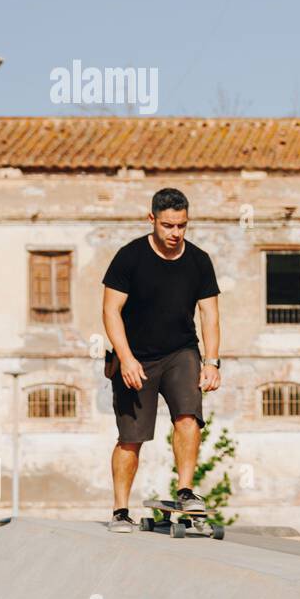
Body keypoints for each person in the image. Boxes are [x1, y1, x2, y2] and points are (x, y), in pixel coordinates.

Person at [101, 188, 222, 532]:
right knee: (131, 437)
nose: (175, 234)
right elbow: (111, 311)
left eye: (182, 226)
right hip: (135, 357)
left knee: (189, 415)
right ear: (151, 219)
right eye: (168, 225)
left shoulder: (199, 260)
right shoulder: (130, 257)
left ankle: (185, 491)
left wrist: (212, 362)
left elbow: (210, 315)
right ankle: (120, 510)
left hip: (180, 351)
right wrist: (125, 358)